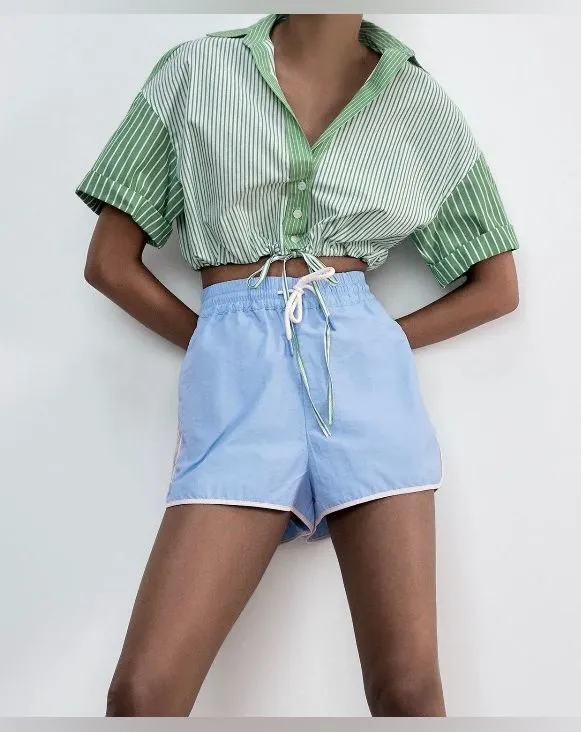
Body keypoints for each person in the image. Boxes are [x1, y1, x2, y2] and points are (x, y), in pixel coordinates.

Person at [75, 13, 519, 717]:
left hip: (365, 382)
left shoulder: (416, 100)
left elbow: (497, 287)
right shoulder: (195, 71)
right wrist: (221, 347)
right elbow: (109, 263)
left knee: (408, 688)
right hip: (238, 383)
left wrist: (376, 340)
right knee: (143, 691)